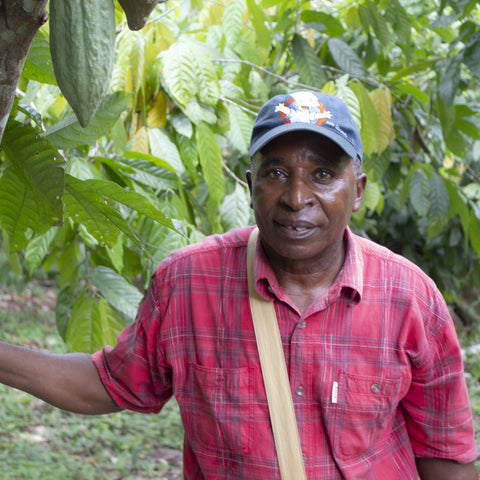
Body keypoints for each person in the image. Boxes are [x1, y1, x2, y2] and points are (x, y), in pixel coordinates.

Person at [0, 90, 477, 479]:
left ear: (358, 190)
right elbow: (110, 384)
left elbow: (445, 457)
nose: (296, 197)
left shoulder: (408, 296)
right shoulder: (187, 283)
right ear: (251, 185)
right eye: (276, 173)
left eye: (323, 175)